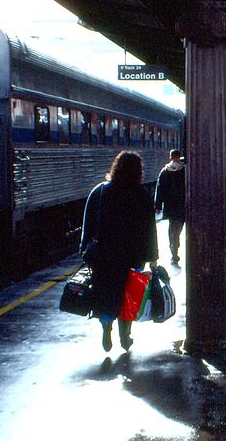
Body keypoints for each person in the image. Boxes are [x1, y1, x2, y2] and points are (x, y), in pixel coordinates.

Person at [80, 151, 158, 352]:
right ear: (138, 171)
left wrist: (84, 250)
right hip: (133, 255)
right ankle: (126, 336)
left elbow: (87, 224)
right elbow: (150, 228)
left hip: (105, 256)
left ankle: (106, 329)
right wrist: (153, 257)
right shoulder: (142, 195)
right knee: (129, 296)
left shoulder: (100, 191)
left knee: (107, 293)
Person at [155, 148, 186, 266]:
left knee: (172, 227)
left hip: (169, 205)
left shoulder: (164, 171)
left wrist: (158, 205)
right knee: (178, 228)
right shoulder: (184, 171)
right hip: (181, 205)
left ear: (170, 157)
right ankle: (175, 248)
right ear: (179, 157)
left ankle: (173, 249)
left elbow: (160, 188)